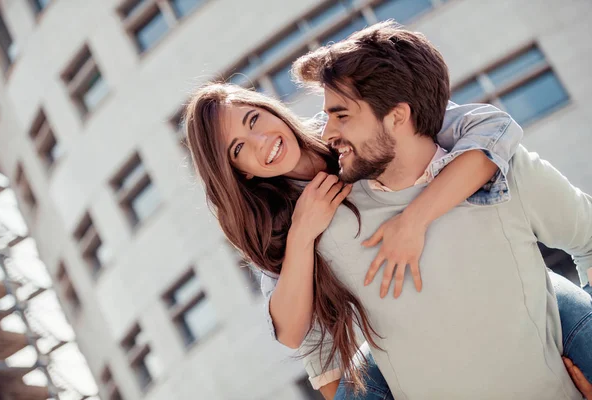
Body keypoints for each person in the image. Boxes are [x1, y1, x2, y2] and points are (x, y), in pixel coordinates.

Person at [184, 27, 592, 400]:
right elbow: (302, 338)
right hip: (393, 340)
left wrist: (413, 221)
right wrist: (302, 235)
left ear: (272, 111)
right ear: (238, 171)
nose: (259, 143)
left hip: (508, 287)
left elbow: (489, 129)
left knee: (548, 300)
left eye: (254, 120)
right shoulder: (282, 222)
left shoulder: (353, 131)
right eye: (238, 149)